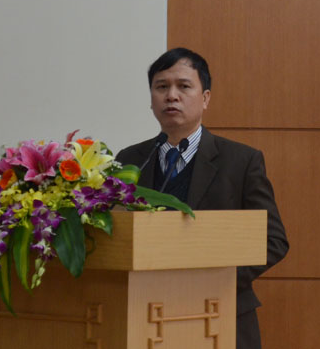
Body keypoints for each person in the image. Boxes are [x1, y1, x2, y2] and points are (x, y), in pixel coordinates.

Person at [117, 47, 289, 349]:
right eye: (161, 87)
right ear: (151, 99)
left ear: (205, 98)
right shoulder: (131, 160)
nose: (171, 96)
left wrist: (214, 280)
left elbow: (273, 240)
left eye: (183, 86)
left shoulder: (241, 161)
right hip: (144, 316)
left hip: (221, 313)